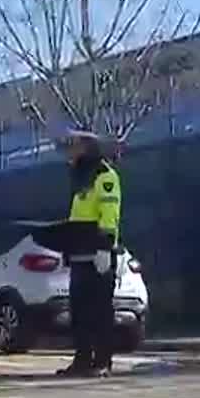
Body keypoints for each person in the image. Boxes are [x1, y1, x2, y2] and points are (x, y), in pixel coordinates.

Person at [55, 130, 122, 378]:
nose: (69, 154)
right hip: (80, 256)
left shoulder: (104, 177)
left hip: (98, 256)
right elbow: (77, 219)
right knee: (80, 313)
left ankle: (103, 361)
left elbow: (109, 213)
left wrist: (105, 247)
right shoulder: (80, 179)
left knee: (101, 312)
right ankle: (82, 360)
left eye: (74, 149)